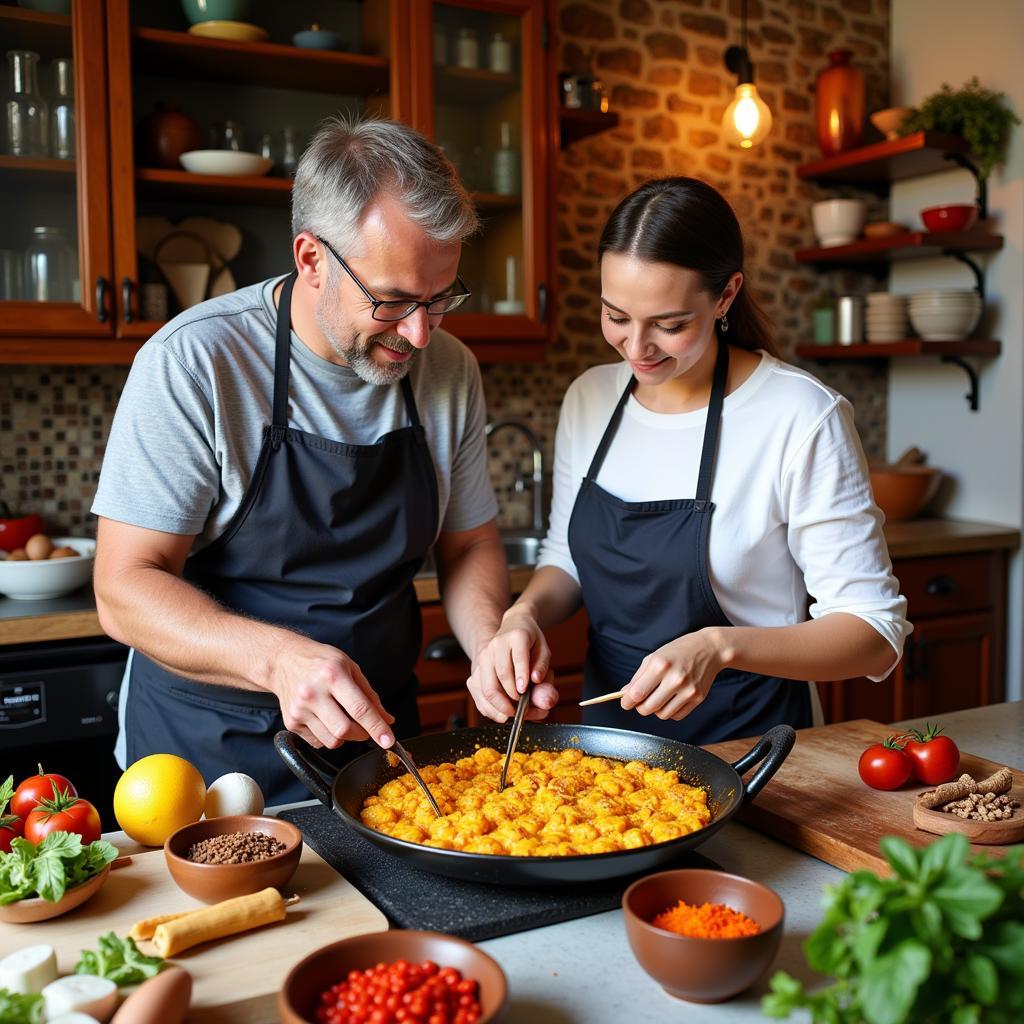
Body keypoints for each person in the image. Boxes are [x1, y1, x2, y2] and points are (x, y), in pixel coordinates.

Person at [92, 116, 510, 802]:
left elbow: (468, 545)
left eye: (440, 299)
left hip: (378, 750)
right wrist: (281, 659)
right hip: (205, 760)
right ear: (312, 258)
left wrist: (490, 638)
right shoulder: (197, 362)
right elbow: (124, 588)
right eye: (393, 300)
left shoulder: (449, 370)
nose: (419, 332)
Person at [469, 176, 910, 743]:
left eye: (669, 325)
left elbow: (873, 630)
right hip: (611, 752)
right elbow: (565, 558)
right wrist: (521, 615)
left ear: (725, 296)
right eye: (616, 316)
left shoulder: (801, 416)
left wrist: (719, 647)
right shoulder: (590, 397)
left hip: (755, 748)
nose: (635, 348)